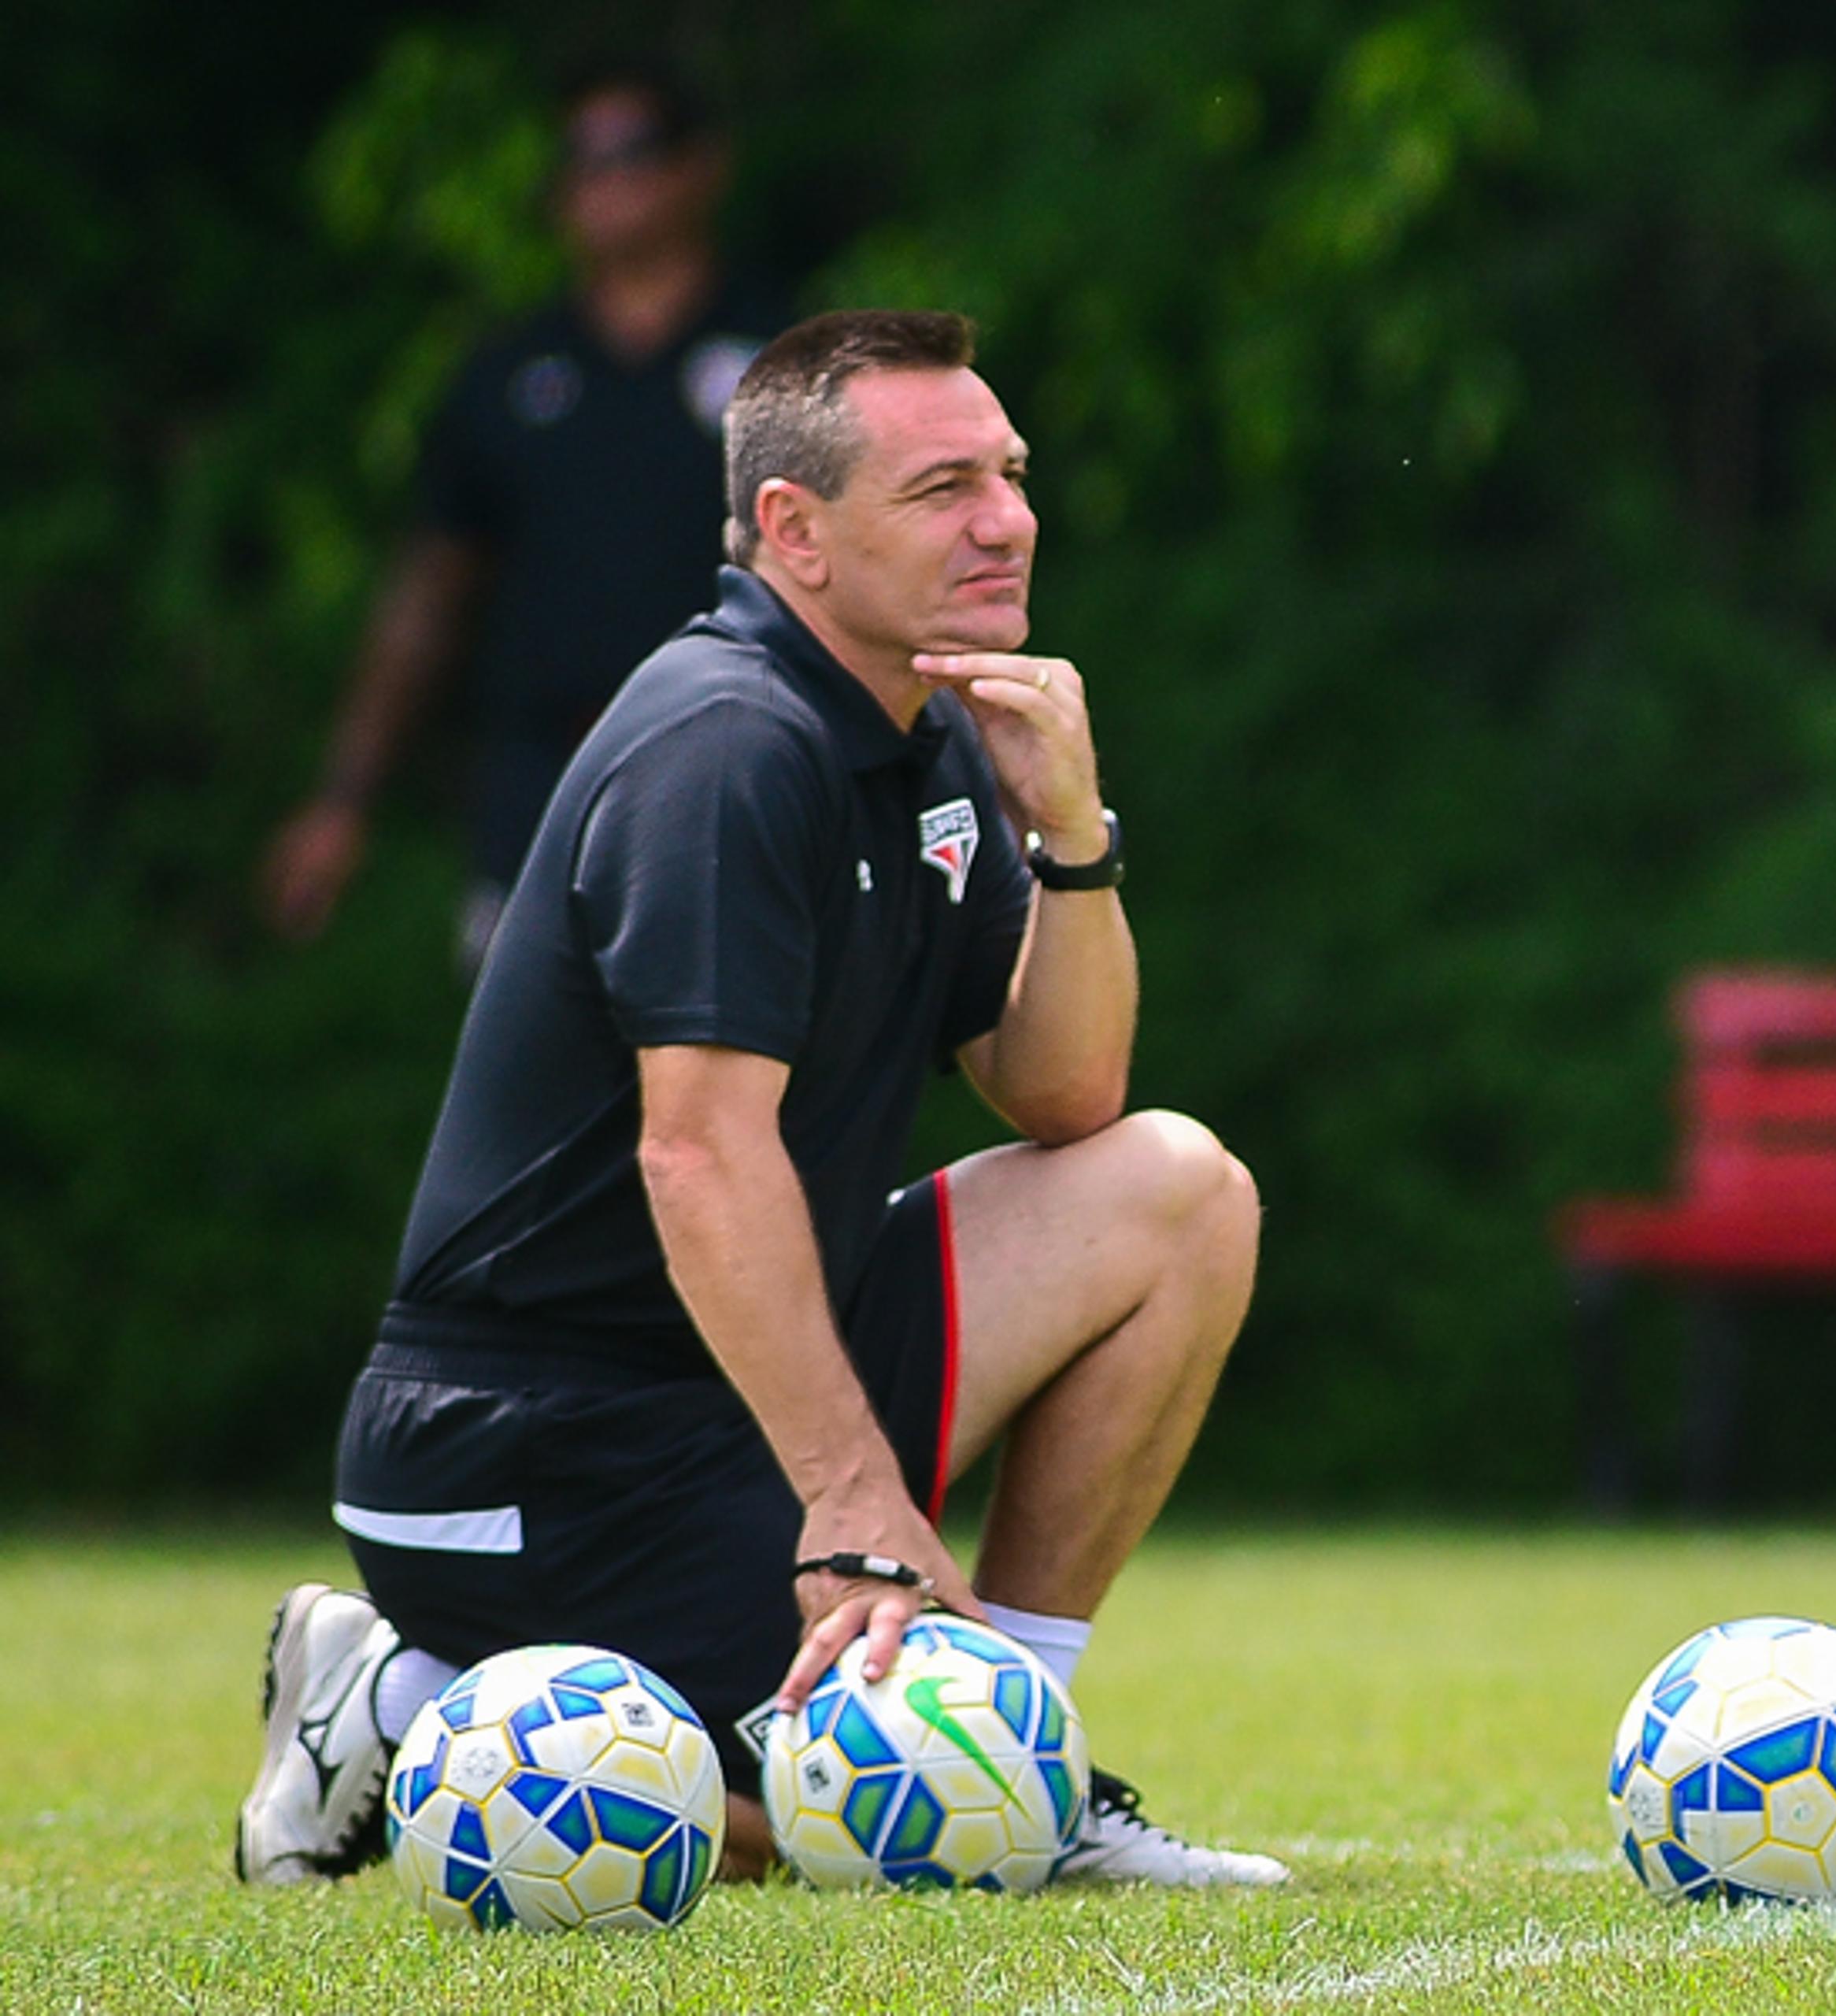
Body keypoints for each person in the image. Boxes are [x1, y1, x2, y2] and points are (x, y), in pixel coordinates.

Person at [235, 309, 1283, 1889]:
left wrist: (1072, 829)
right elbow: (696, 1151)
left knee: (1177, 1188)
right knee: (806, 1836)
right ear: (792, 530)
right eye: (944, 488)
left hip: (733, 1379)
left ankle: (1019, 1744)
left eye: (1008, 473)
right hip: (520, 1441)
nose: (1009, 516)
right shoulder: (730, 742)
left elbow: (1067, 1090)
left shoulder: (923, 732)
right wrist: (856, 1499)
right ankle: (400, 1696)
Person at [262, 61, 787, 972]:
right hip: (548, 777)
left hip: (738, 767)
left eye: (632, 150)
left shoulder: (782, 356)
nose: (602, 178)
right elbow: (433, 589)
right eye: (579, 157)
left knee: (735, 1062)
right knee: (537, 1075)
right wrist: (344, 797)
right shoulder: (509, 374)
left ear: (701, 166)